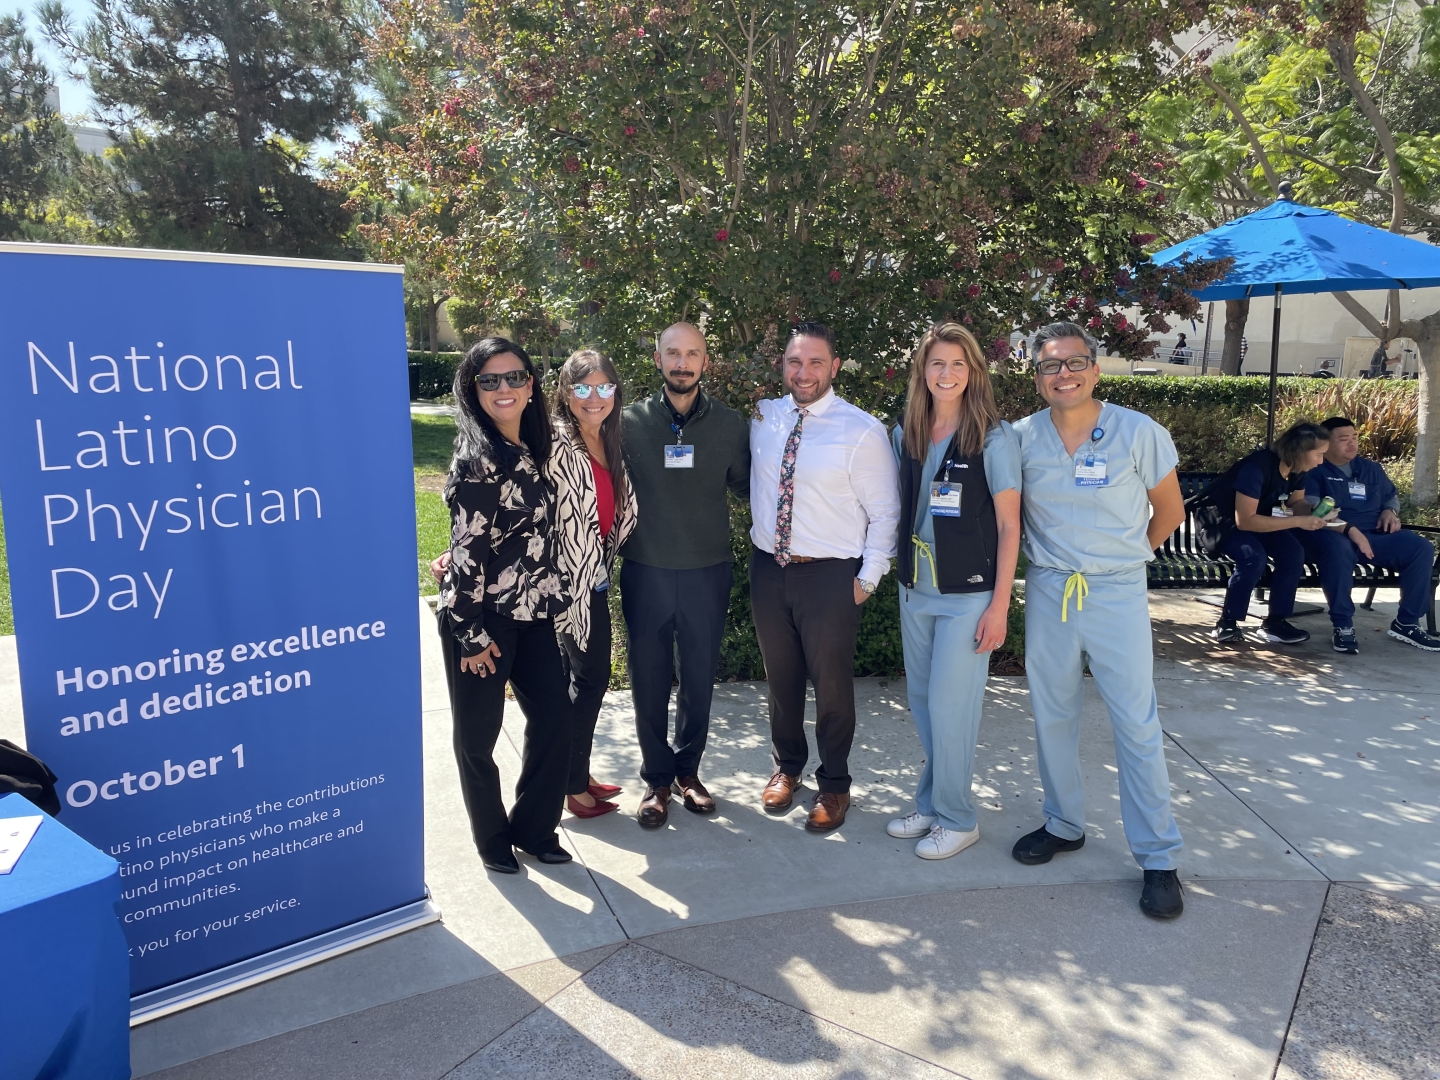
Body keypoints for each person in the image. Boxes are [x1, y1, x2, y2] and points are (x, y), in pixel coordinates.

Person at [1010, 321, 1187, 919]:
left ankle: (1159, 857)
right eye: (1050, 366)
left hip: (1115, 593)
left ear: (1096, 367)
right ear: (1036, 377)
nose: (1064, 374)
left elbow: (1167, 512)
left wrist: (1124, 559)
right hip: (1050, 592)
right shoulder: (1021, 438)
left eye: (1074, 361)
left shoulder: (1138, 432)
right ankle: (1064, 823)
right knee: (1052, 714)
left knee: (1136, 722)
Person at [750, 322, 900, 831]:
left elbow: (886, 512)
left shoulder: (862, 430)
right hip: (769, 568)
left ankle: (834, 784)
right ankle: (786, 768)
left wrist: (868, 578)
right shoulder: (765, 418)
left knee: (832, 687)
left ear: (834, 367)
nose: (804, 372)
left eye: (816, 362)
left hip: (832, 575)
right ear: (783, 365)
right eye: (795, 361)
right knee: (781, 680)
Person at [438, 337, 573, 874]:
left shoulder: (531, 449)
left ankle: (535, 828)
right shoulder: (478, 460)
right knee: (478, 736)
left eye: (514, 377)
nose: (504, 388)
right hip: (482, 621)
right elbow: (467, 556)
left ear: (531, 383)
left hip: (533, 613)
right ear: (474, 391)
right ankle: (491, 836)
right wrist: (471, 635)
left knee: (555, 721)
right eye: (489, 380)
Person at [887, 323, 1022, 859]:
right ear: (923, 371)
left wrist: (1000, 605)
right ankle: (931, 803)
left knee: (950, 707)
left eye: (958, 364)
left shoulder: (993, 436)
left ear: (974, 372)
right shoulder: (908, 433)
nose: (947, 374)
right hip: (915, 589)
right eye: (937, 363)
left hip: (968, 595)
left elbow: (1011, 526)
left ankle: (959, 817)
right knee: (922, 705)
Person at [619, 322, 750, 828]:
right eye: (673, 353)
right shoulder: (626, 423)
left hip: (706, 571)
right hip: (646, 569)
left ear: (705, 362)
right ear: (657, 359)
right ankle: (656, 780)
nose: (682, 362)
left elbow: (752, 487)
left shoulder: (731, 425)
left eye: (692, 353)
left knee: (699, 679)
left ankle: (688, 773)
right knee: (647, 679)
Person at [549, 350, 641, 813]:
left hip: (596, 576)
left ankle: (574, 773)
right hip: (567, 583)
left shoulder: (607, 437)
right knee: (590, 678)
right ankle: (572, 786)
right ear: (566, 393)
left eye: (604, 387)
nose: (594, 397)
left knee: (578, 679)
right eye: (582, 387)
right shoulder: (555, 444)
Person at [1301, 417, 1440, 653]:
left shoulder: (1371, 469)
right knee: (1338, 549)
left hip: (1376, 536)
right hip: (1335, 536)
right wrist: (1350, 531)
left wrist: (1390, 511)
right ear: (1324, 442)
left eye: (1354, 437)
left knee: (1420, 548)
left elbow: (1390, 497)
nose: (1352, 444)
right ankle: (1343, 625)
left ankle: (1406, 622)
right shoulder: (1314, 470)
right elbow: (1313, 510)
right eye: (1343, 439)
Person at [1207, 423, 1332, 645]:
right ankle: (1227, 623)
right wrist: (1299, 521)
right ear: (1299, 452)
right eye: (1319, 455)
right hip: (1224, 525)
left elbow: (1296, 503)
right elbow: (1244, 521)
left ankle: (1275, 622)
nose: (1321, 461)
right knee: (1253, 557)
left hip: (1262, 519)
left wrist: (1314, 512)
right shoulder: (1256, 468)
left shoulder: (1297, 469)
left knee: (1293, 552)